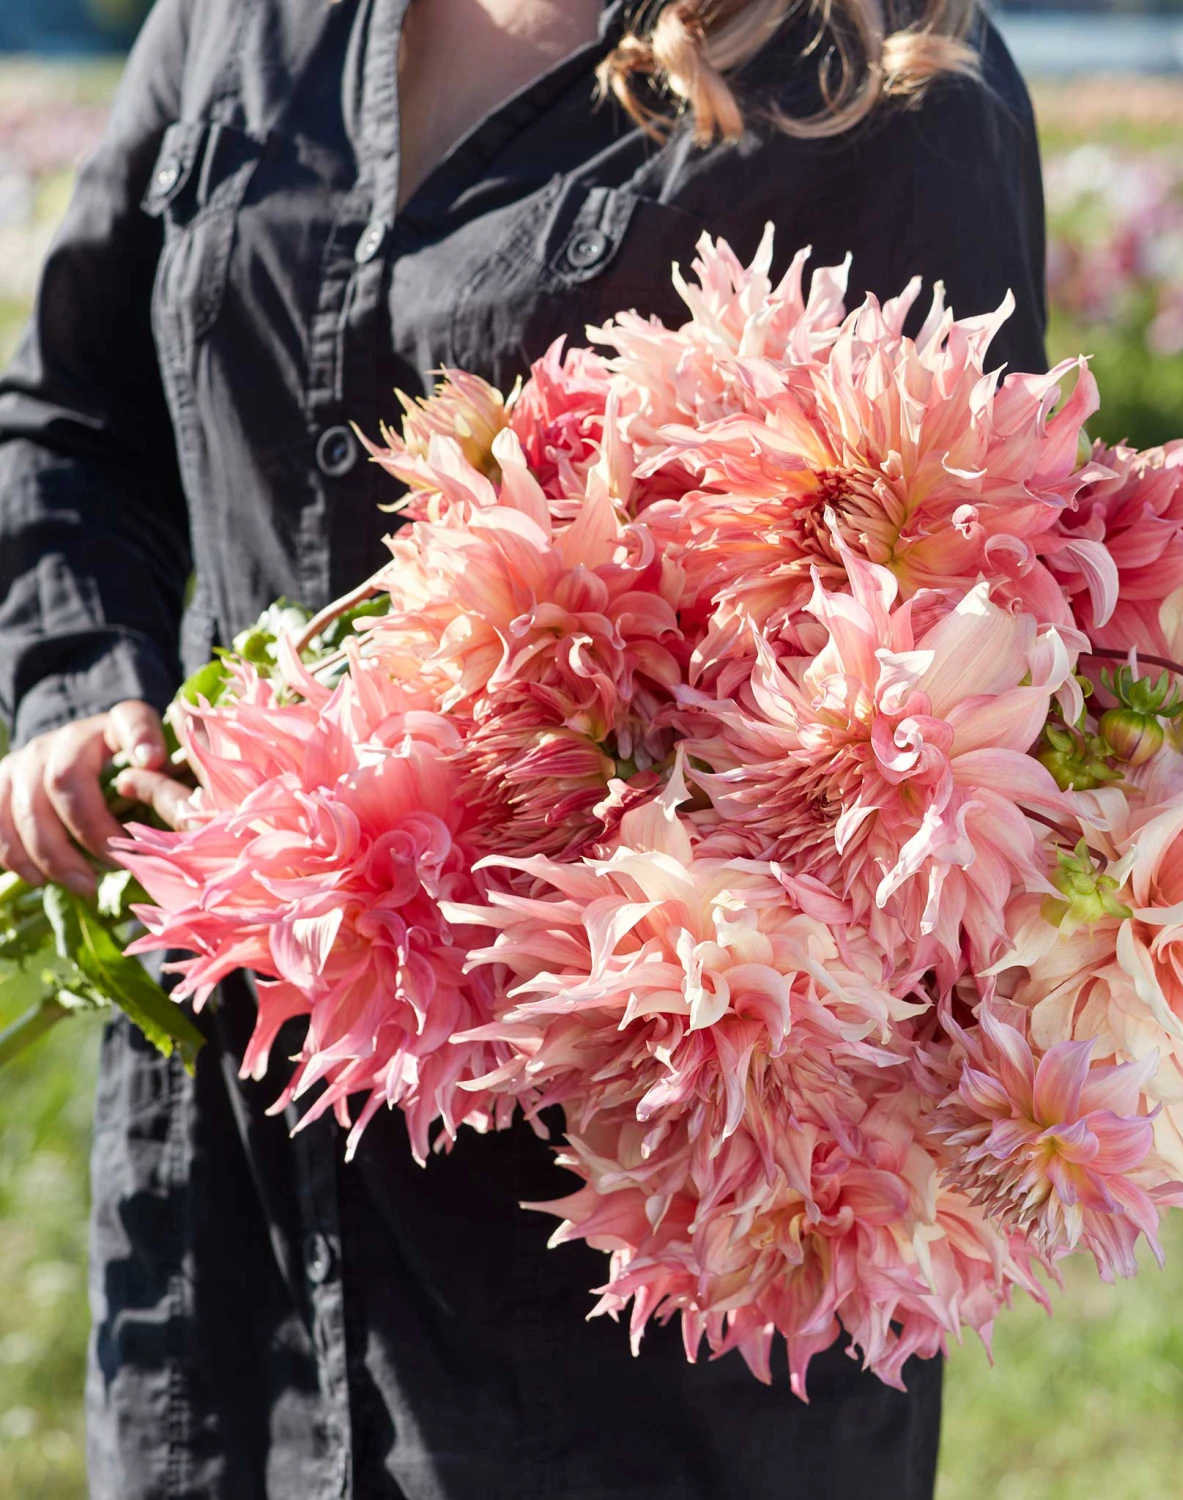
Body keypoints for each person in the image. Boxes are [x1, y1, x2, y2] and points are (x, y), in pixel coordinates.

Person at [0, 1, 1048, 1495]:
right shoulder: (241, 24)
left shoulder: (872, 80)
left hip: (618, 1245)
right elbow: (73, 415)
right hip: (228, 1210)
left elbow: (926, 658)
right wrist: (77, 689)